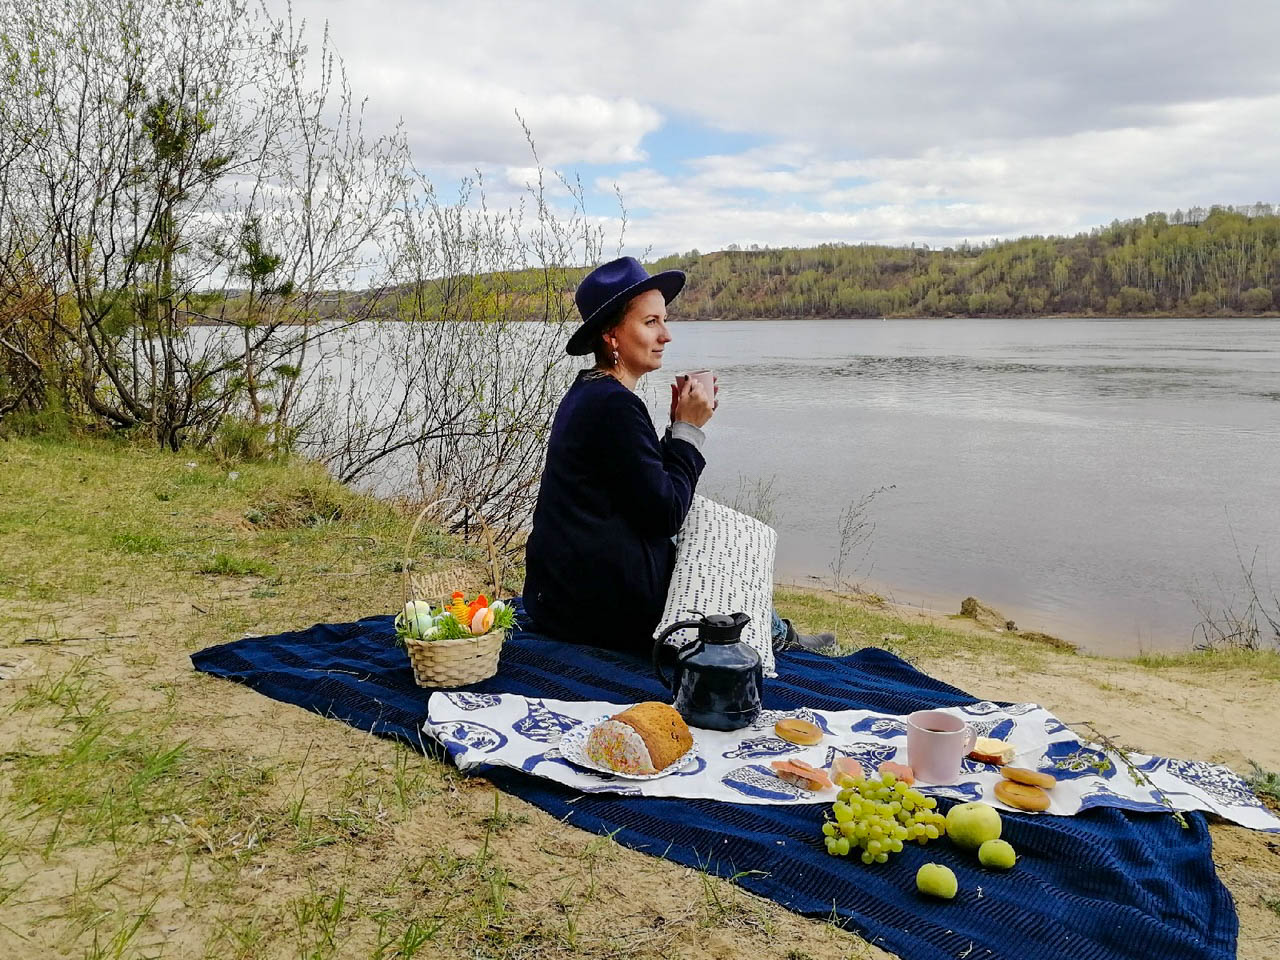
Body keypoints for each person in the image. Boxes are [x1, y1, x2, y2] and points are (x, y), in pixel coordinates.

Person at [521, 256, 833, 657]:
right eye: (651, 322)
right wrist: (689, 432)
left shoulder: (591, 393)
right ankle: (774, 634)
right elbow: (665, 512)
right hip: (596, 607)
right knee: (723, 545)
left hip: (563, 597)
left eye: (664, 321)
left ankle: (772, 627)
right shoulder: (612, 405)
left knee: (709, 529)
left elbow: (644, 491)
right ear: (612, 335)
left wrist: (674, 430)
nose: (666, 335)